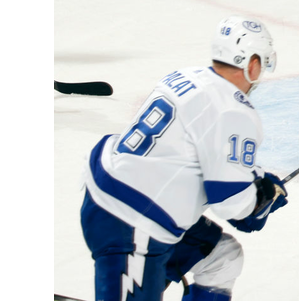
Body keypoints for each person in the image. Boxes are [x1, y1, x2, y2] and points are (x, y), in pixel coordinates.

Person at [80, 16, 288, 301]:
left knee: (222, 258)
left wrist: (254, 182)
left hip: (110, 188)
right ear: (252, 64)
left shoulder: (185, 76)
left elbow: (194, 153)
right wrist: (260, 202)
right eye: (262, 64)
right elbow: (233, 205)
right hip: (130, 222)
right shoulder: (234, 110)